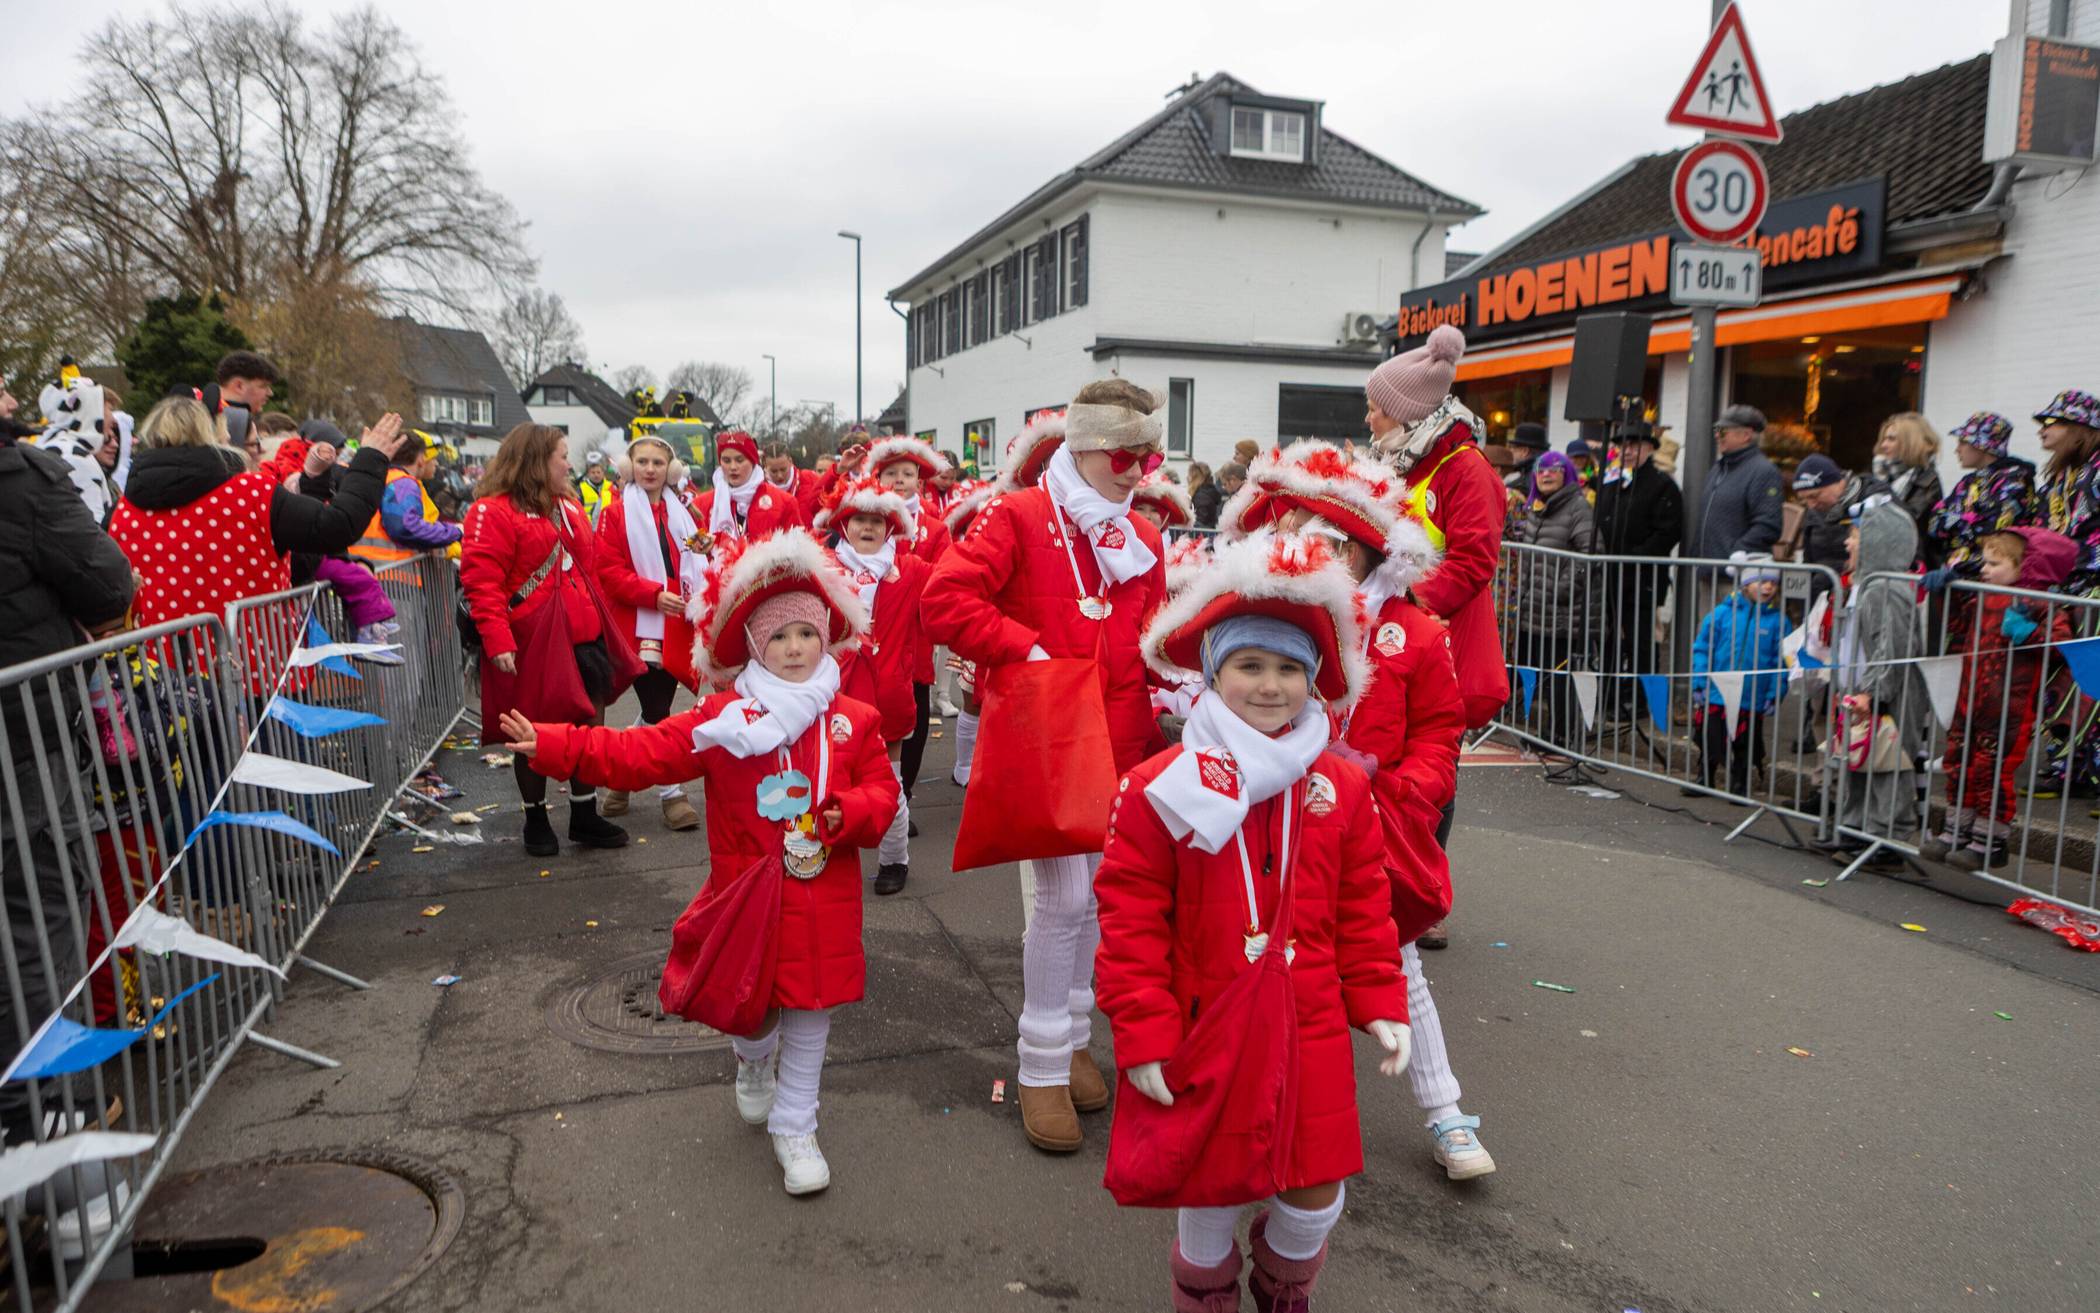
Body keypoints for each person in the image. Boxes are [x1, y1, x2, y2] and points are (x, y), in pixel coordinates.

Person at [499, 529, 897, 1196]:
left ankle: (796, 1127)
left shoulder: (853, 718)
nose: (795, 647)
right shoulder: (722, 719)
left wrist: (847, 813)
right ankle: (751, 1061)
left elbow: (884, 792)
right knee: (754, 1009)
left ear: (826, 637)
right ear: (755, 647)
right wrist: (555, 745)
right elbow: (641, 753)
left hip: (823, 896)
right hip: (747, 896)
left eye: (807, 632)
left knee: (812, 1011)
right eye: (779, 636)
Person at [1095, 530, 1409, 1311]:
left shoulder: (1341, 785)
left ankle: (1282, 1280)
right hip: (1204, 1020)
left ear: (1314, 678)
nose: (1271, 686)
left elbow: (1364, 906)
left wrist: (1380, 1001)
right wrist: (1143, 1031)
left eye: (1290, 668)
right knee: (1210, 1192)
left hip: (1311, 1023)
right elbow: (1130, 921)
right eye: (1250, 665)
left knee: (1315, 1195)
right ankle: (1204, 1296)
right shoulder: (1158, 785)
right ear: (1214, 672)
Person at [923, 378, 1168, 1154]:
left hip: (1121, 738)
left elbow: (1152, 630)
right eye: (1126, 456)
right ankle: (1039, 1063)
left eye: (1149, 457)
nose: (1139, 472)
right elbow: (945, 598)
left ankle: (1075, 1041)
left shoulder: (1143, 534)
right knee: (1063, 898)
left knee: (1096, 897)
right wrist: (1024, 651)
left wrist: (1182, 674)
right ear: (1086, 447)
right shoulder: (1021, 515)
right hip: (1050, 736)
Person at [1265, 453, 1496, 1183]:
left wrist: (1402, 791)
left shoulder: (1416, 631)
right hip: (1278, 819)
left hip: (1372, 826)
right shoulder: (1281, 618)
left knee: (1398, 963)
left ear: (1367, 549)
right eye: (1307, 539)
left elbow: (1438, 732)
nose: (1320, 555)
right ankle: (1270, 1104)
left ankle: (1446, 1111)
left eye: (1334, 542)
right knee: (1270, 957)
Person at [0, 417, 136, 1249]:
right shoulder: (21, 477)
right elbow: (107, 580)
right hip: (21, 746)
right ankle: (46, 1130)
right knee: (39, 918)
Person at [1366, 325, 1505, 951]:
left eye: (1376, 406)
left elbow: (1474, 560)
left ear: (1405, 411)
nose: (1368, 417)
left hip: (1440, 642)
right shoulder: (1400, 461)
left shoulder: (1465, 469)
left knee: (1433, 767)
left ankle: (1426, 892)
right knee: (1390, 758)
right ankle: (1380, 879)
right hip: (1395, 635)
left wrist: (1411, 604)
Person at [462, 423, 639, 856]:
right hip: (532, 640)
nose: (568, 465)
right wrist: (497, 639)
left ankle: (584, 814)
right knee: (531, 731)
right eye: (562, 456)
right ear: (538, 461)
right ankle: (536, 818)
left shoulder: (569, 506)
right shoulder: (492, 511)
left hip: (582, 637)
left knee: (587, 728)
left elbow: (589, 569)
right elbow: (482, 581)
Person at [110, 397, 402, 632]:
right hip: (253, 665)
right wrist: (370, 459)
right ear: (213, 435)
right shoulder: (250, 493)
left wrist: (312, 481)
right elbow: (336, 526)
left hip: (161, 673)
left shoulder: (122, 511)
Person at [1919, 528, 2074, 870]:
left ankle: (1990, 839)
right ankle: (1956, 829)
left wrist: (2028, 632)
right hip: (1970, 700)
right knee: (1959, 763)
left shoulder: (2040, 605)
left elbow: (2062, 648)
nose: (1984, 569)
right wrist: (1946, 592)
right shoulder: (1981, 596)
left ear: (2025, 566)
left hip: (2008, 708)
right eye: (1984, 562)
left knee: (1992, 771)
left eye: (1993, 563)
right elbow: (1956, 624)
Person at [816, 478, 930, 894]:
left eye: (877, 521)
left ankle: (894, 860)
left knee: (890, 786)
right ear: (843, 525)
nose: (868, 527)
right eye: (859, 519)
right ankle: (818, 853)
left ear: (891, 527)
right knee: (826, 780)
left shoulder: (910, 570)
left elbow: (952, 585)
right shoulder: (822, 567)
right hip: (833, 694)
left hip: (889, 695)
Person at [592, 432, 709, 833]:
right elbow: (608, 571)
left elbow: (703, 555)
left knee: (655, 706)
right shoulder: (613, 514)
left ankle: (623, 774)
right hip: (638, 621)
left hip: (678, 620)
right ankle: (672, 793)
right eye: (642, 461)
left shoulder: (686, 512)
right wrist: (653, 595)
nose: (649, 469)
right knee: (658, 709)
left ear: (670, 470)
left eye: (658, 463)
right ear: (629, 466)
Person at [1822, 502, 1929, 869]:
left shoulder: (1886, 589)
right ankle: (1856, 827)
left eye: (1855, 536)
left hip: (1891, 693)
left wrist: (1873, 691)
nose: (1847, 544)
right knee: (1860, 759)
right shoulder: (1866, 586)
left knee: (1888, 763)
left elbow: (1893, 647)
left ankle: (1886, 837)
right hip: (1862, 689)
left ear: (1878, 543)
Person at [1593, 419, 1683, 714]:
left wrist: (1634, 556)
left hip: (1641, 576)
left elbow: (1669, 531)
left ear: (1649, 448)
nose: (1627, 451)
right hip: (1610, 574)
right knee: (1608, 638)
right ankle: (1609, 694)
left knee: (1640, 641)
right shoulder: (1612, 481)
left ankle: (1643, 700)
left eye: (1634, 445)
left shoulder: (1662, 485)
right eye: (1622, 445)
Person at [1508, 451, 1597, 748]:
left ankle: (1561, 736)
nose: (1546, 474)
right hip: (1534, 609)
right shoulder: (1536, 507)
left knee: (1560, 677)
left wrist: (1562, 590)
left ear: (1566, 474)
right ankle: (1546, 732)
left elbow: (1589, 553)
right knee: (1539, 672)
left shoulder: (1578, 507)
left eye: (1554, 469)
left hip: (1562, 611)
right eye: (1541, 469)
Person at [1690, 554, 1788, 795]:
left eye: (1773, 583)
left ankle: (1740, 782)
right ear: (1745, 584)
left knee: (1746, 742)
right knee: (1710, 736)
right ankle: (1705, 776)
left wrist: (1775, 693)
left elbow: (1782, 661)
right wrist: (1700, 682)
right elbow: (1702, 649)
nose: (1768, 587)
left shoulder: (1778, 621)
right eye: (1762, 581)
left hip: (1752, 695)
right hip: (1717, 691)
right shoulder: (1721, 614)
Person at [1926, 412, 2040, 573]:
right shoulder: (1968, 481)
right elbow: (1933, 523)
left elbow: (1992, 535)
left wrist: (1956, 523)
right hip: (1953, 574)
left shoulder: (2015, 481)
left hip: (1987, 577)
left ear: (1983, 445)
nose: (1957, 450)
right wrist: (1967, 522)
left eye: (1963, 442)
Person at [1784, 454, 1890, 586]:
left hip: (1864, 588)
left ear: (1839, 483)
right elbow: (1809, 560)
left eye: (1814, 496)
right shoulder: (1814, 511)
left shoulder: (1875, 497)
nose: (1811, 505)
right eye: (1804, 499)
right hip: (1825, 590)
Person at [1697, 405, 1785, 560]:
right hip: (1708, 568)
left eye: (1722, 430)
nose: (1717, 435)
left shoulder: (1763, 471)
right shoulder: (1718, 469)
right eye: (1716, 430)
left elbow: (1768, 525)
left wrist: (1736, 554)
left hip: (1737, 570)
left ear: (1746, 435)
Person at [694, 429, 804, 551]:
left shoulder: (785, 502)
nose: (733, 467)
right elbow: (687, 545)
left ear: (753, 461)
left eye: (740, 460)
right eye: (726, 460)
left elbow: (798, 552)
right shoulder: (701, 504)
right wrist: (699, 544)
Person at [1874, 413, 1944, 562]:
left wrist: (1881, 489)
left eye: (1891, 439)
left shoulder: (1928, 480)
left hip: (1912, 563)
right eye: (1884, 439)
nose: (1883, 445)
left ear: (1911, 442)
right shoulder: (1883, 476)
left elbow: (1908, 521)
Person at [213, 349, 280, 455]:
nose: (270, 393)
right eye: (263, 386)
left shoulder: (204, 414)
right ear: (239, 386)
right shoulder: (215, 420)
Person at [761, 440, 819, 505]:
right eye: (774, 471)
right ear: (765, 465)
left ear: (790, 461)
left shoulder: (810, 479)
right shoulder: (758, 488)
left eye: (783, 470)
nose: (780, 475)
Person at [1502, 422, 1548, 498]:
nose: (1511, 451)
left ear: (1524, 451)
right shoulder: (1552, 474)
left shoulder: (1521, 485)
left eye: (1513, 447)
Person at [575, 449, 616, 527]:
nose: (596, 475)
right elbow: (578, 510)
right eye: (593, 472)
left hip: (608, 526)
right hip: (589, 527)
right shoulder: (581, 488)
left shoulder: (610, 486)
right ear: (588, 474)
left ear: (603, 473)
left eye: (598, 472)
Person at [1186, 461, 1221, 529]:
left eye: (1189, 475)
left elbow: (1200, 520)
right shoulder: (1209, 491)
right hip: (1207, 531)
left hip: (1200, 533)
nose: (1187, 478)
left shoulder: (1201, 496)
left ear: (1195, 477)